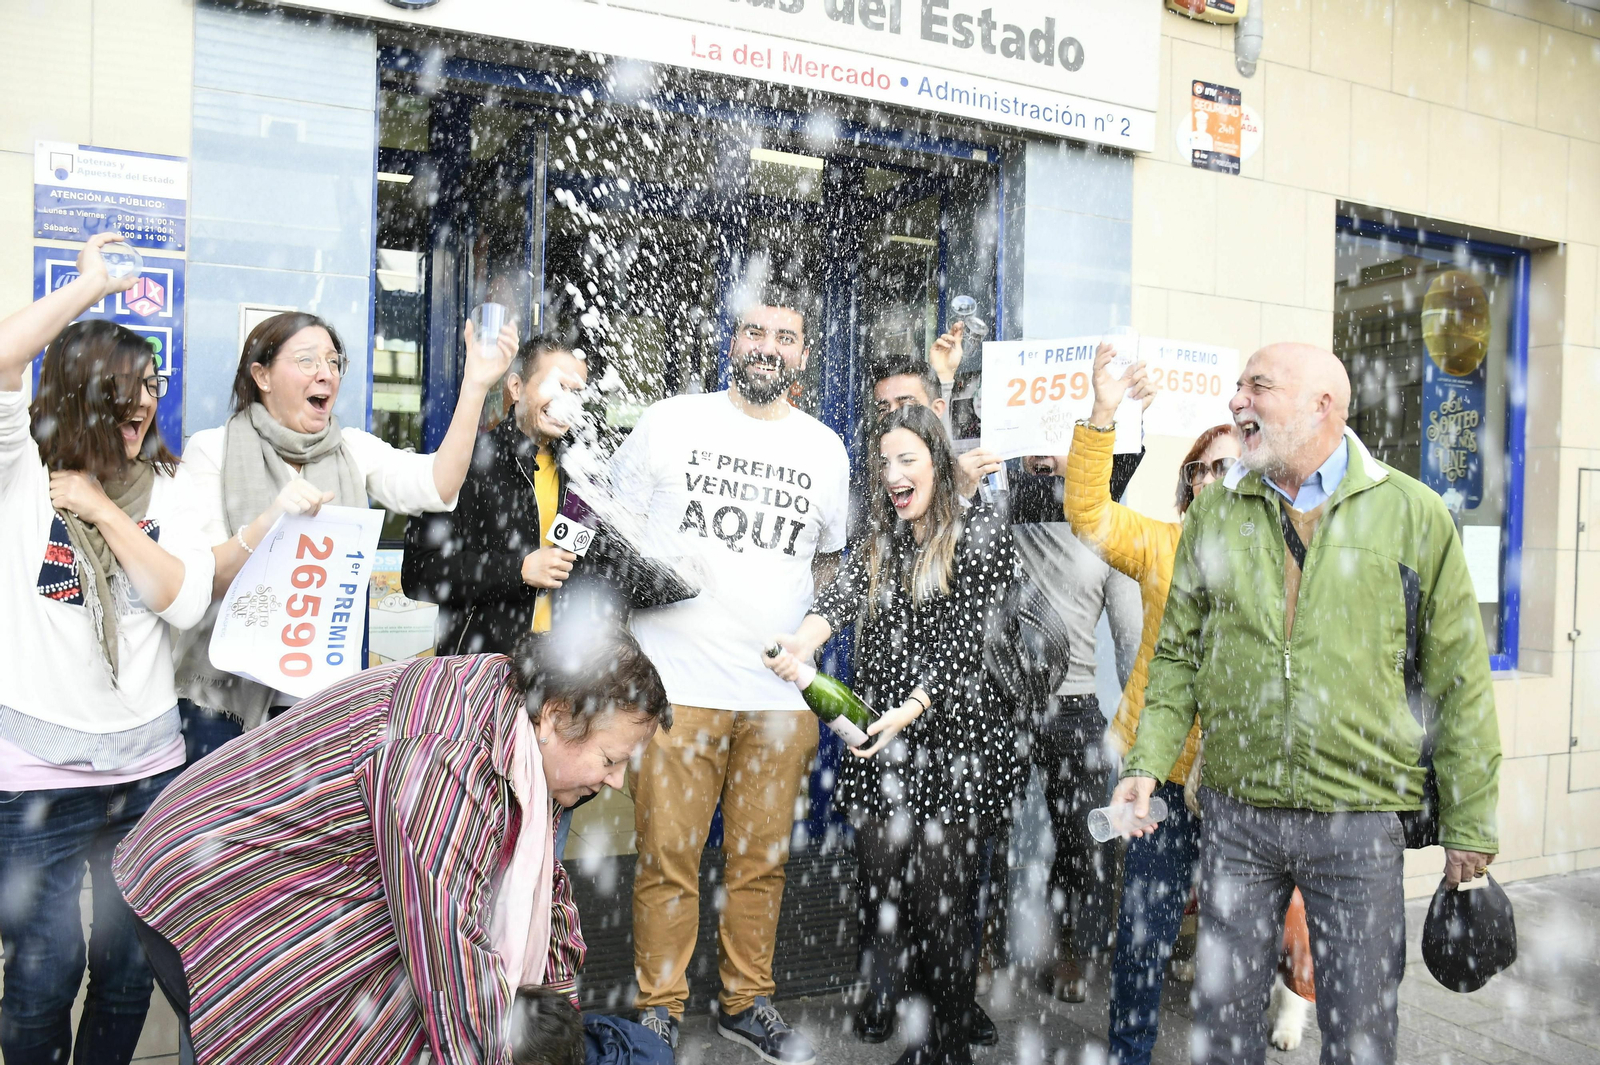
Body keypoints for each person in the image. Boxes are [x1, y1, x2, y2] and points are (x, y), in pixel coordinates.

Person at [1111, 343, 1501, 1065]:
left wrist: (1471, 821)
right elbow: (1177, 655)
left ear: (1326, 405)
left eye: (1258, 387)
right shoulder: (1217, 512)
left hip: (1356, 821)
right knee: (1222, 1034)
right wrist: (1148, 760)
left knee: (1358, 1035)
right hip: (1236, 815)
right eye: (1236, 387)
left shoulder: (1413, 514)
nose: (1237, 402)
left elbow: (1461, 682)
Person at [113, 627, 671, 1065]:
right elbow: (448, 956)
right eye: (611, 760)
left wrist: (558, 1018)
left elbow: (546, 897)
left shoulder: (522, 729)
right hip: (212, 880)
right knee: (261, 1019)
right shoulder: (444, 755)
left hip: (294, 873)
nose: (618, 782)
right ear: (555, 715)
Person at [611, 288, 850, 1063]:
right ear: (733, 340)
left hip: (778, 699)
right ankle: (660, 1006)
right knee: (668, 858)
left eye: (785, 336)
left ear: (803, 355)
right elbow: (608, 535)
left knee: (761, 860)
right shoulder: (672, 422)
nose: (767, 347)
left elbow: (834, 568)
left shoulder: (825, 448)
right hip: (676, 686)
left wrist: (811, 641)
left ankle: (747, 1000)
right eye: (755, 331)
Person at [0, 233, 216, 1065]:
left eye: (152, 392)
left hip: (146, 772)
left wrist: (104, 507)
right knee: (41, 981)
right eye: (125, 395)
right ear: (84, 394)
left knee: (127, 976)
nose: (144, 409)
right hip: (36, 778)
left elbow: (184, 598)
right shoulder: (21, 469)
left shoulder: (168, 487)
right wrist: (88, 286)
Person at [765, 405, 1020, 1065]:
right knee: (892, 897)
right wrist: (802, 642)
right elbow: (842, 597)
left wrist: (912, 704)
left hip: (953, 743)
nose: (893, 473)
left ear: (938, 458)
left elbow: (974, 639)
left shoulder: (980, 527)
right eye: (884, 461)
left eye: (907, 458)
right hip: (882, 742)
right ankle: (919, 1034)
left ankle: (949, 1045)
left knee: (942, 905)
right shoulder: (882, 533)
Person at [170, 308, 515, 762]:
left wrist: (474, 386)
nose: (326, 374)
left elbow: (438, 483)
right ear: (262, 375)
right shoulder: (212, 450)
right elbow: (204, 579)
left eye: (333, 362)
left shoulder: (351, 449)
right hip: (222, 707)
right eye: (308, 361)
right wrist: (271, 520)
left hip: (322, 706)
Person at [403, 339, 589, 654]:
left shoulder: (582, 476)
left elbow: (602, 567)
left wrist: (687, 578)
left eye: (576, 393)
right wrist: (517, 571)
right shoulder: (464, 464)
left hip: (560, 677)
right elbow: (419, 573)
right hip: (482, 677)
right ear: (516, 387)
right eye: (555, 385)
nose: (566, 401)